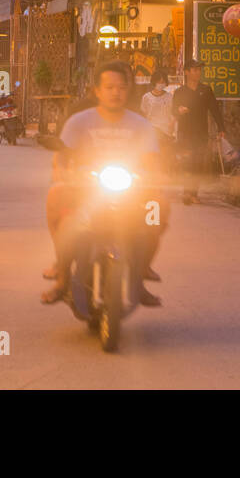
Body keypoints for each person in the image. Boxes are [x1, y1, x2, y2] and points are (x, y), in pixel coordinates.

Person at [41, 61, 164, 307]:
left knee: (159, 209)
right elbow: (61, 158)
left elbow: (152, 160)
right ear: (97, 90)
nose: (115, 92)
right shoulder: (79, 121)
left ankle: (140, 275)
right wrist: (63, 174)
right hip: (85, 190)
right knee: (57, 199)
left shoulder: (140, 123)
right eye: (109, 87)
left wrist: (155, 178)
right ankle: (63, 276)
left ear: (127, 90)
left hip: (131, 190)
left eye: (120, 87)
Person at [172, 60, 225, 203]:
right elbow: (173, 109)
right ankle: (186, 192)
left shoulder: (206, 90)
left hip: (201, 132)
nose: (197, 73)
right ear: (187, 72)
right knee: (187, 162)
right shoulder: (180, 92)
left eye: (199, 70)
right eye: (194, 70)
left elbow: (215, 109)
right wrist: (179, 110)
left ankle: (194, 194)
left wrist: (221, 128)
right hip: (185, 133)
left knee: (198, 163)